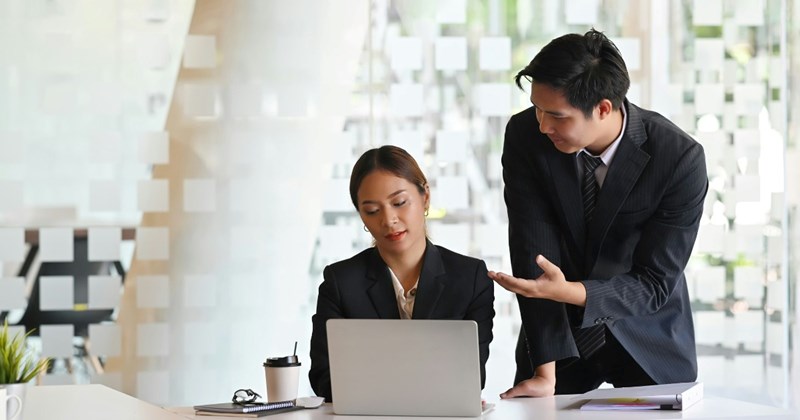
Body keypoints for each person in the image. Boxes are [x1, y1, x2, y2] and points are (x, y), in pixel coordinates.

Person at [487, 29, 708, 398]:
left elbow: (654, 282)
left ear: (603, 107)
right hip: (558, 344)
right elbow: (534, 256)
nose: (543, 125)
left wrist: (571, 291)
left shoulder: (678, 158)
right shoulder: (526, 136)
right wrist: (545, 373)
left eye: (556, 115)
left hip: (649, 339)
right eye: (537, 109)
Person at [309, 145, 495, 402]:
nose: (388, 219)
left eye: (399, 203)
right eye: (372, 211)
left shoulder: (470, 279)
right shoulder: (340, 282)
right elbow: (323, 378)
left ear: (425, 197)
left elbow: (472, 378)